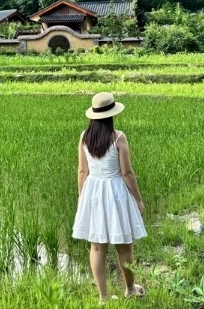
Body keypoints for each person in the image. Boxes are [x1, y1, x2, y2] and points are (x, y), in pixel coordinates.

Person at [73, 92, 146, 303]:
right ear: (112, 115)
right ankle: (130, 289)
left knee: (96, 247)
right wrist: (138, 200)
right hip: (116, 192)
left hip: (93, 191)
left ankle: (103, 297)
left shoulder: (84, 137)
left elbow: (81, 171)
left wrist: (82, 198)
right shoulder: (118, 137)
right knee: (124, 245)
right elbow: (127, 173)